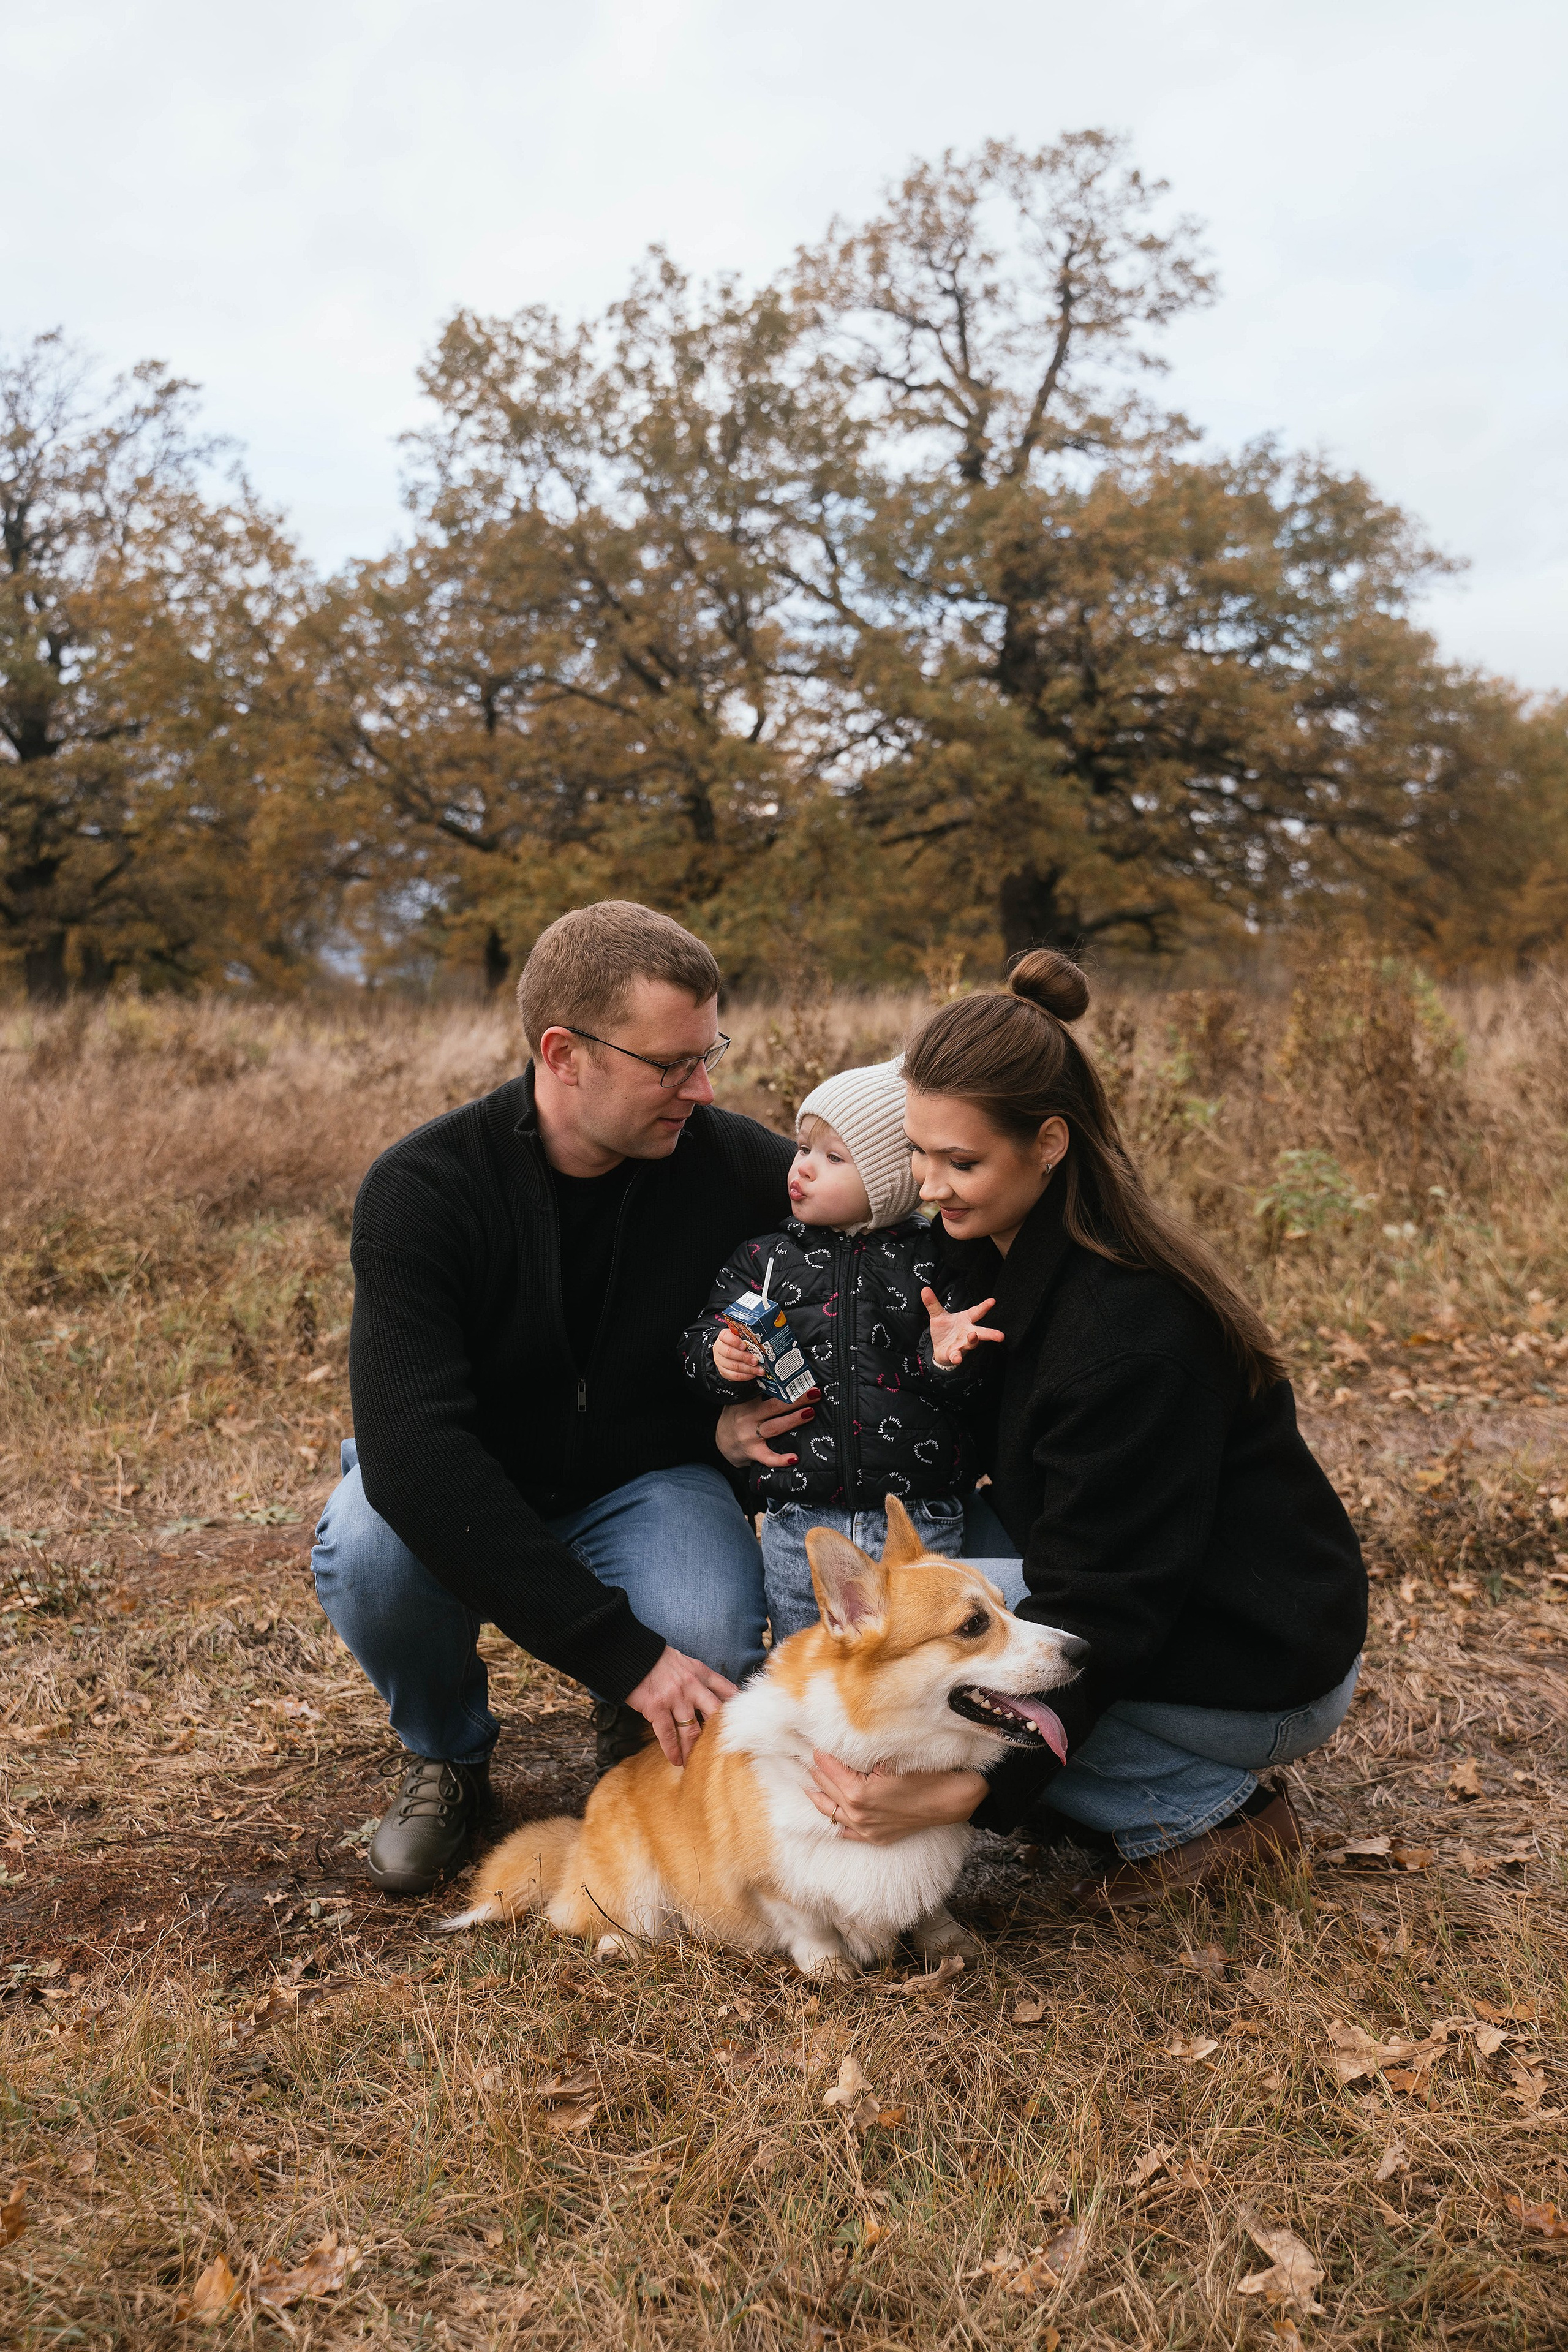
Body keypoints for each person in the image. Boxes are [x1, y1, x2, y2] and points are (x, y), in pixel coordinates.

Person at [735, 949, 1368, 1912]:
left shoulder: (1131, 1333)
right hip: (1145, 1583)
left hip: (1258, 1654)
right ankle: (1096, 1788)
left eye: (962, 1162)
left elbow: (1110, 1610)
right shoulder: (986, 1252)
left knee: (930, 1663)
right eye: (916, 1152)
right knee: (891, 1627)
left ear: (1050, 1143)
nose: (932, 1187)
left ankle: (1207, 1815)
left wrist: (971, 1791)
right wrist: (744, 1429)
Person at [311, 900, 807, 1894]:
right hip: (466, 1480)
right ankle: (448, 1753)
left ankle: (641, 1744)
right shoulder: (424, 1190)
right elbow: (415, 1457)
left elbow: (870, 1224)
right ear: (563, 1052)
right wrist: (618, 1647)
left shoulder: (730, 1164)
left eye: (709, 1054)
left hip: (646, 1480)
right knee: (369, 1550)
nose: (701, 1088)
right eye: (672, 1065)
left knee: (709, 1637)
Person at [679, 1058, 1002, 1641]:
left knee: (921, 1658)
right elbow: (701, 1338)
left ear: (887, 1181)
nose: (802, 1168)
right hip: (800, 1516)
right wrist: (720, 1361)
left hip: (918, 1515)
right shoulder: (764, 1258)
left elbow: (972, 1389)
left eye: (833, 1158)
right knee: (810, 1659)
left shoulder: (937, 1258)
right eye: (803, 1148)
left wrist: (950, 1358)